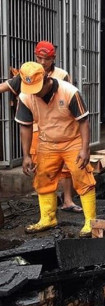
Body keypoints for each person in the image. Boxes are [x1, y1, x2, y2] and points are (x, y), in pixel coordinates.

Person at [15, 62, 96, 237]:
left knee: (83, 178)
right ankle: (48, 218)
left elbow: (83, 122)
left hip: (72, 141)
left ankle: (91, 221)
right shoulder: (25, 96)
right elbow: (25, 127)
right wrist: (26, 155)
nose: (34, 93)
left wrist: (84, 149)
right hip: (47, 143)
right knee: (43, 179)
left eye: (37, 88)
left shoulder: (69, 92)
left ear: (47, 79)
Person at [0, 41, 82, 213]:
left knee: (68, 166)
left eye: (46, 59)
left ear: (53, 58)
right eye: (39, 58)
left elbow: (72, 99)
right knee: (42, 168)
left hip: (62, 125)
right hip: (38, 127)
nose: (43, 62)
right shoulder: (28, 75)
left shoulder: (62, 75)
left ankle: (67, 200)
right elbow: (7, 86)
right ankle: (47, 210)